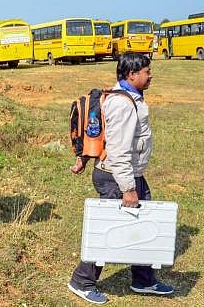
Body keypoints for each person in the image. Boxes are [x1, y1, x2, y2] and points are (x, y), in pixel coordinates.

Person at [68, 53, 174, 304]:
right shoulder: (123, 104)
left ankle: (143, 280)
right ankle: (81, 281)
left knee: (144, 222)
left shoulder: (128, 97)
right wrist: (128, 188)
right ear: (131, 75)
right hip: (115, 176)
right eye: (147, 72)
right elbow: (117, 150)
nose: (151, 76)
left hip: (128, 174)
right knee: (107, 229)